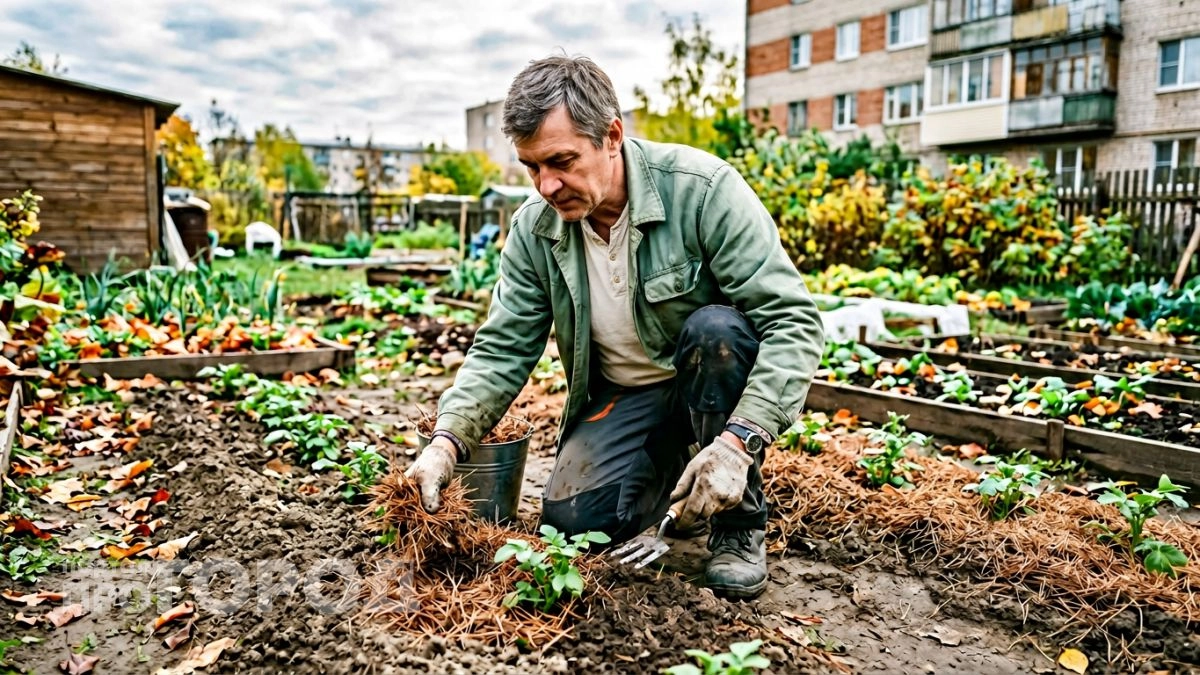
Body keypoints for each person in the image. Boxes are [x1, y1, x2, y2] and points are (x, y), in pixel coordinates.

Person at [407, 55, 824, 599]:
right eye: (531, 167)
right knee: (573, 527)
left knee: (715, 331)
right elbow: (504, 346)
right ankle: (678, 479)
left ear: (611, 135)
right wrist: (447, 439)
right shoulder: (536, 229)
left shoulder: (701, 191)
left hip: (711, 384)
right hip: (628, 396)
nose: (547, 186)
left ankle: (737, 525)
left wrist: (737, 444)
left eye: (560, 161)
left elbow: (793, 320)